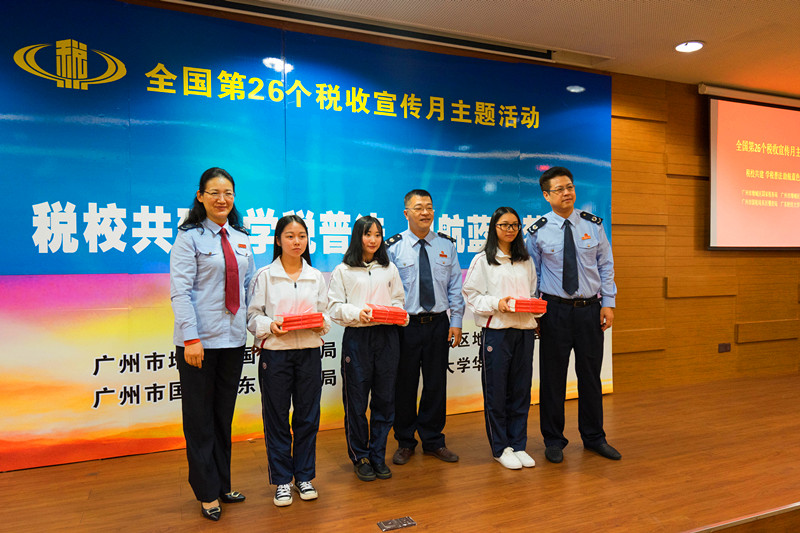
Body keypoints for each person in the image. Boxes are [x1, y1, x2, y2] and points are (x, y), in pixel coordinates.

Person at [170, 167, 255, 521]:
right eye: (215, 193)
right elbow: (180, 292)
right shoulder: (188, 238)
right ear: (200, 196)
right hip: (198, 344)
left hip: (233, 341)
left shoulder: (241, 237)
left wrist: (257, 330)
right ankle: (206, 492)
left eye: (228, 193)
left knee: (223, 417)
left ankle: (222, 484)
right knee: (199, 419)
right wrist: (191, 338)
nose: (222, 199)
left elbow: (249, 289)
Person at [525, 166, 620, 464]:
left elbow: (605, 265)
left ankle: (594, 438)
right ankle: (554, 440)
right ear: (546, 195)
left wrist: (608, 303)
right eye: (559, 189)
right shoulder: (538, 231)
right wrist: (535, 314)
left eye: (570, 187)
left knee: (590, 376)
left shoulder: (594, 225)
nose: (567, 193)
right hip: (554, 312)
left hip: (590, 310)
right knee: (552, 379)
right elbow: (532, 275)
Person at [246, 215, 330, 507]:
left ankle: (304, 477)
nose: (297, 242)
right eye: (290, 236)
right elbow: (252, 316)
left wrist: (321, 325)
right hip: (276, 354)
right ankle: (282, 480)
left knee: (307, 417)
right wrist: (270, 326)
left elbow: (325, 313)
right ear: (278, 240)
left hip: (308, 353)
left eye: (302, 236)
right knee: (277, 418)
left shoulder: (315, 276)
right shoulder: (265, 275)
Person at [386, 189, 464, 466]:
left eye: (429, 207)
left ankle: (433, 440)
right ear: (406, 213)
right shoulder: (392, 247)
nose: (425, 212)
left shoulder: (446, 245)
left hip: (438, 324)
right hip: (405, 325)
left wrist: (456, 321)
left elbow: (455, 287)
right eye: (418, 207)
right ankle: (405, 441)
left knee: (435, 384)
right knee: (404, 385)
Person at [327, 216, 407, 482]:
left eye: (377, 235)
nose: (373, 240)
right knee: (356, 401)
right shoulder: (343, 270)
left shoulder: (389, 268)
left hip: (387, 337)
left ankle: (377, 455)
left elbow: (398, 300)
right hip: (358, 337)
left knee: (385, 399)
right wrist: (356, 312)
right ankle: (360, 456)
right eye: (367, 234)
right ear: (357, 237)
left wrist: (396, 313)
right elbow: (334, 307)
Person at [462, 207, 541, 469]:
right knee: (496, 392)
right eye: (504, 224)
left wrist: (535, 307)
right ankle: (500, 447)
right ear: (494, 227)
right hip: (496, 332)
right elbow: (471, 295)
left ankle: (518, 445)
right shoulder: (482, 260)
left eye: (515, 225)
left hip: (524, 331)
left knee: (521, 391)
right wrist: (498, 303)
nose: (510, 229)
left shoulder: (526, 260)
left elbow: (532, 292)